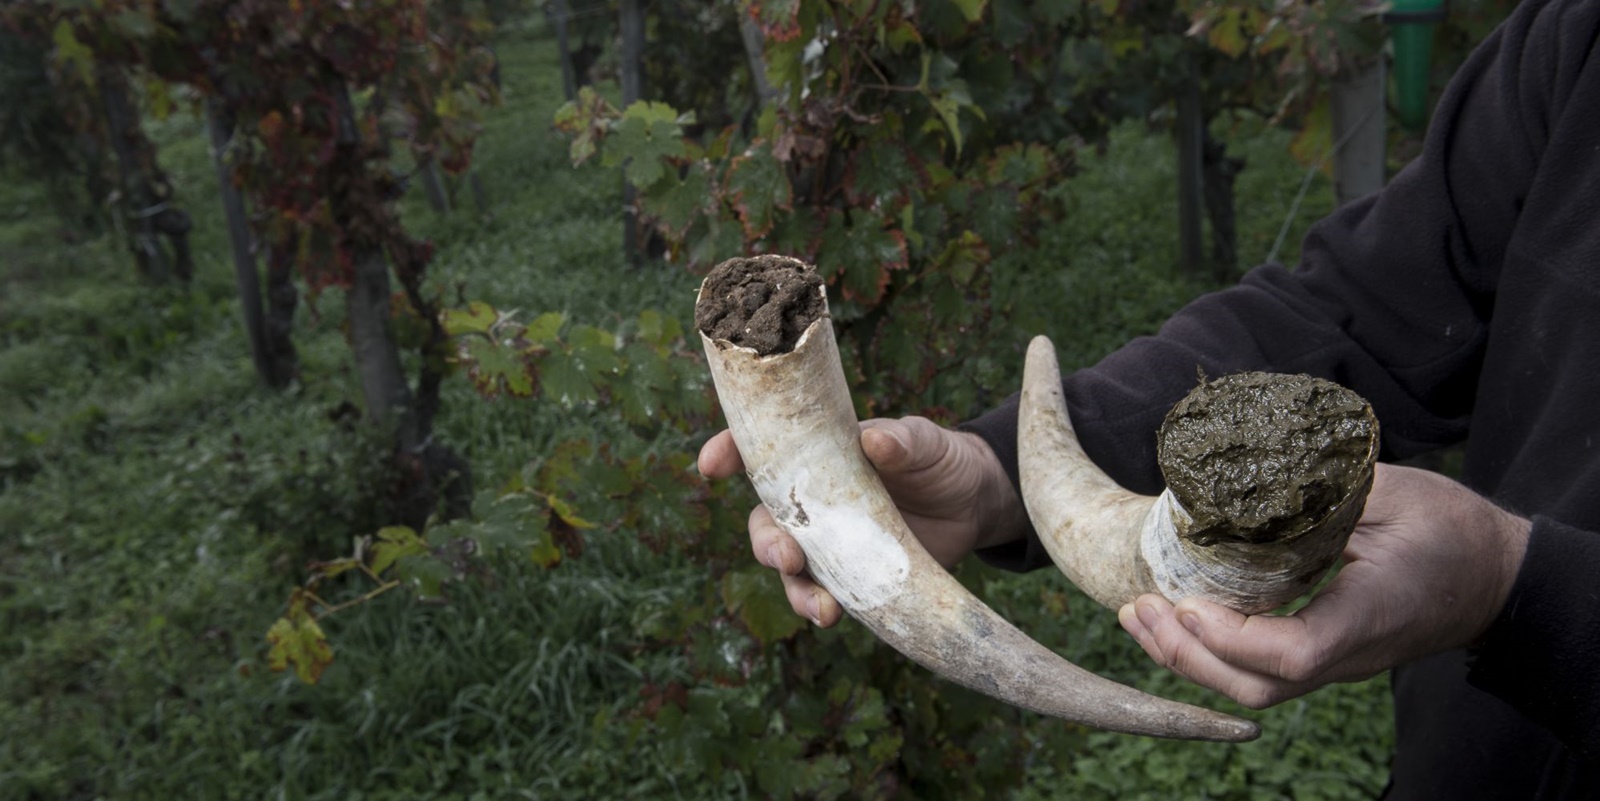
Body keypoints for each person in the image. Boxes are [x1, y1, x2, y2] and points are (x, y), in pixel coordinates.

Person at [697, 0, 1599, 797]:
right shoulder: (1576, 45)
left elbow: (1511, 577)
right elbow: (1361, 312)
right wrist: (999, 472)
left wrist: (1518, 590)